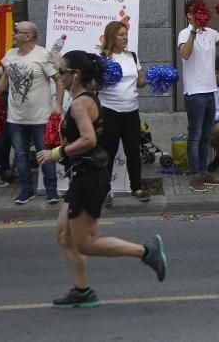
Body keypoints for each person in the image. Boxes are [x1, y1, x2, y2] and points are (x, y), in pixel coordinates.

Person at [37, 50, 167, 308]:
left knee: (84, 243)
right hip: (84, 174)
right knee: (64, 234)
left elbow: (89, 140)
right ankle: (82, 290)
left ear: (76, 75)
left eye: (62, 72)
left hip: (90, 176)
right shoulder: (85, 96)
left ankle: (147, 251)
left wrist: (56, 153)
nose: (59, 76)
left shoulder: (79, 103)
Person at [0, 21, 63, 205]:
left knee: (45, 153)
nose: (12, 34)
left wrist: (59, 106)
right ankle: (26, 191)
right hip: (16, 118)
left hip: (41, 117)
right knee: (21, 155)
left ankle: (51, 191)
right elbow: (5, 77)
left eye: (16, 32)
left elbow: (58, 80)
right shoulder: (10, 55)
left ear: (28, 36)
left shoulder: (42, 55)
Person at [178, 0, 219, 192]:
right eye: (196, 12)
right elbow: (185, 54)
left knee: (206, 136)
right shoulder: (184, 33)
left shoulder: (212, 33)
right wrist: (193, 30)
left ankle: (204, 173)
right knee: (195, 135)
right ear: (189, 15)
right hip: (194, 93)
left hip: (209, 91)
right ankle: (195, 175)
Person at [97, 21, 150, 206]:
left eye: (126, 34)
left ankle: (137, 187)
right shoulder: (103, 57)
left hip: (131, 111)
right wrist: (104, 79)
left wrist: (150, 79)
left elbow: (140, 81)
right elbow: (96, 85)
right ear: (111, 36)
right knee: (108, 153)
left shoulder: (133, 56)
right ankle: (105, 191)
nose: (125, 37)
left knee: (133, 151)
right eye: (121, 34)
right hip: (109, 112)